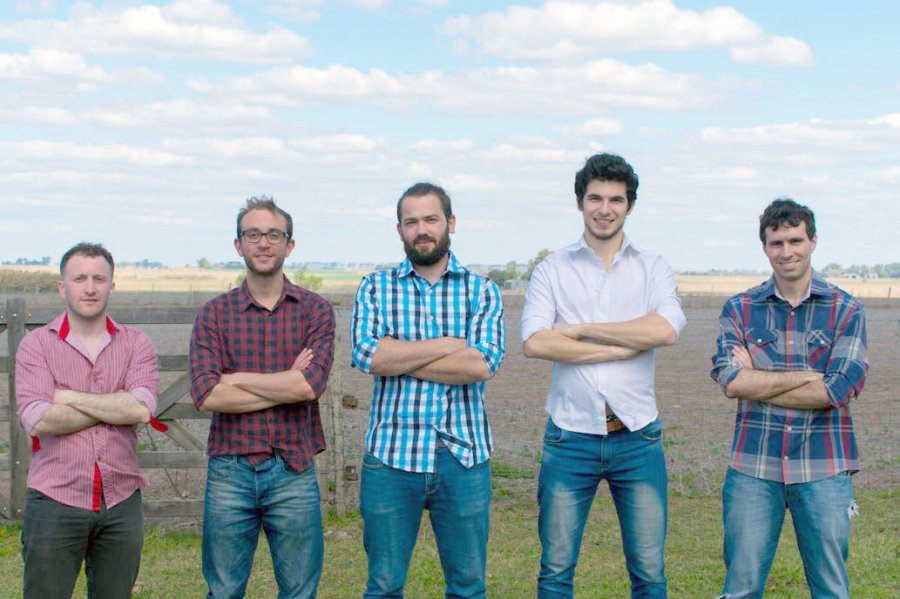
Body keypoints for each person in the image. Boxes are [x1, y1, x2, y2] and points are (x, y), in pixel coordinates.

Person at [521, 153, 686, 598]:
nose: (605, 208)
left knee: (650, 571)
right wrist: (623, 347)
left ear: (630, 205)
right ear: (580, 202)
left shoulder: (652, 267)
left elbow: (665, 330)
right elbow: (536, 342)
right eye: (595, 197)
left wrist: (581, 331)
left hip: (638, 438)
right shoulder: (552, 269)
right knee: (555, 570)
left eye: (616, 199)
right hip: (569, 437)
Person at [350, 182, 506, 598]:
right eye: (411, 221)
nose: (422, 229)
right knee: (383, 585)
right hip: (390, 457)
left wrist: (402, 354)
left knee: (468, 587)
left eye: (431, 219)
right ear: (399, 230)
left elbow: (481, 364)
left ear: (450, 223)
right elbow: (369, 356)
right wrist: (445, 346)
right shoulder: (375, 287)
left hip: (464, 458)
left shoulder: (482, 291)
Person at [710, 198, 868, 599]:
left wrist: (756, 378)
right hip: (752, 467)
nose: (787, 252)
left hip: (824, 468)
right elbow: (731, 381)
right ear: (764, 247)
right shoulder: (740, 309)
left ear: (813, 241)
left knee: (831, 588)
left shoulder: (846, 309)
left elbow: (837, 389)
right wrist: (807, 379)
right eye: (776, 243)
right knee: (741, 588)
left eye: (795, 240)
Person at [189, 196, 335, 599]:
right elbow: (206, 394)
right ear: (238, 245)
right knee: (223, 591)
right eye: (253, 234)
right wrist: (285, 380)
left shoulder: (315, 310)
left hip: (293, 469)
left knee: (299, 591)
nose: (264, 243)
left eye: (274, 234)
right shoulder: (214, 314)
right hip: (229, 471)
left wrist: (235, 379)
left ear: (290, 245)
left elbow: (308, 387)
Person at [15, 242, 160, 598]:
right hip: (54, 499)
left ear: (113, 286)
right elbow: (38, 419)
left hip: (121, 502)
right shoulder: (36, 345)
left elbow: (140, 409)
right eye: (80, 278)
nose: (90, 287)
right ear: (62, 287)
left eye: (99, 278)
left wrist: (65, 397)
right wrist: (114, 404)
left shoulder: (137, 345)